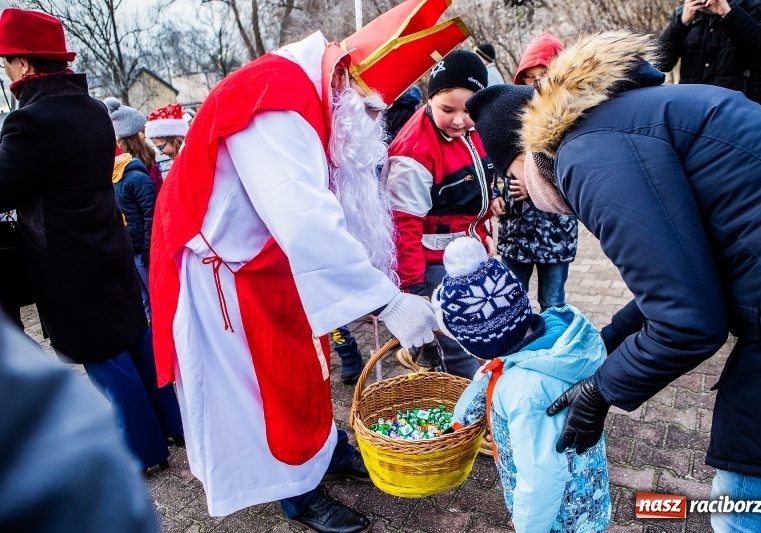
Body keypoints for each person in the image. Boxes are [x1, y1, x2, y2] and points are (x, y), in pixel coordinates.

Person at [149, 0, 467, 527]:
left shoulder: (314, 94)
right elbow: (305, 220)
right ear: (342, 79)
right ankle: (295, 488)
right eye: (369, 110)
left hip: (272, 262)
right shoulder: (274, 99)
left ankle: (323, 449)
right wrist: (389, 302)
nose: (373, 125)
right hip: (232, 277)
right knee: (271, 385)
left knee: (308, 369)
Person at [467, 30, 761, 532]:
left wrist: (600, 392)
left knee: (744, 505)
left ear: (527, 152)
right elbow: (690, 274)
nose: (522, 193)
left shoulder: (584, 154)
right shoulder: (620, 121)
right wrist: (610, 338)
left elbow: (688, 322)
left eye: (514, 176)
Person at [0, 8, 183, 471]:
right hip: (109, 247)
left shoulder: (29, 123)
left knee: (105, 360)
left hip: (67, 264)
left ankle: (143, 450)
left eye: (7, 62)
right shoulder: (94, 110)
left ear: (24, 63)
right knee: (136, 341)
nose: (6, 71)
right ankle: (175, 423)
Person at [432, 237, 611, 533]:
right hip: (578, 491)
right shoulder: (539, 341)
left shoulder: (525, 392)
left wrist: (529, 527)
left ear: (480, 343)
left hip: (563, 517)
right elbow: (486, 381)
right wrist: (460, 421)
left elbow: (541, 476)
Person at [383, 49, 490, 379]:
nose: (459, 120)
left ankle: (431, 360)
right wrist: (413, 289)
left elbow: (479, 186)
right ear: (429, 100)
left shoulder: (473, 129)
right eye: (447, 110)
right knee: (458, 345)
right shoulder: (414, 152)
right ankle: (465, 401)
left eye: (468, 110)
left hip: (467, 251)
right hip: (432, 264)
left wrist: (484, 231)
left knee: (478, 329)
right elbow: (404, 225)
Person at [0, 316, 160, 533]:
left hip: (81, 316)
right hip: (118, 311)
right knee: (135, 358)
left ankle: (145, 453)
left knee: (114, 372)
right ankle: (166, 433)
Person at [488, 32, 577, 312]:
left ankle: (556, 340)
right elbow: (493, 161)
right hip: (517, 229)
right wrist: (494, 195)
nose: (537, 83)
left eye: (545, 74)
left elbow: (580, 175)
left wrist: (537, 185)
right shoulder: (510, 116)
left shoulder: (575, 118)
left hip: (556, 232)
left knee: (553, 302)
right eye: (530, 76)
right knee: (512, 299)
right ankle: (518, 340)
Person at [659, 0, 761, 103]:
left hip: (736, 110)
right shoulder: (685, 12)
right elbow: (661, 64)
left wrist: (728, 13)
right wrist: (680, 24)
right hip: (692, 109)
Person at [112, 145, 156, 322]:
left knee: (154, 293)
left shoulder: (135, 178)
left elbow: (151, 214)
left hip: (142, 249)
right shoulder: (113, 179)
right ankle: (151, 323)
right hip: (130, 248)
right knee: (143, 295)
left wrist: (147, 247)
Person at [104, 97, 164, 196]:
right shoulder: (121, 162)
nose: (145, 135)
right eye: (142, 131)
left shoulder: (148, 153)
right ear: (132, 135)